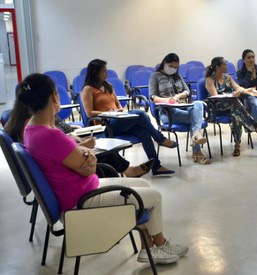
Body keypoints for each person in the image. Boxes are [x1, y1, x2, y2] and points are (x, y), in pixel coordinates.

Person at [17, 73, 188, 265]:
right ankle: (159, 244)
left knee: (142, 184)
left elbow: (78, 155)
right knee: (155, 197)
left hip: (83, 190)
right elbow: (88, 169)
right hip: (82, 200)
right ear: (53, 96)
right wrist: (87, 154)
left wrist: (82, 152)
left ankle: (148, 247)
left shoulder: (32, 129)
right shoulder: (50, 136)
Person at [4, 100, 153, 178]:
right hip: (66, 168)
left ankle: (128, 171)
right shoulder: (36, 126)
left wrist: (76, 139)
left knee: (105, 147)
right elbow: (56, 145)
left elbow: (61, 136)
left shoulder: (32, 123)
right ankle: (126, 174)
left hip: (69, 143)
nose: (57, 101)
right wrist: (82, 146)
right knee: (104, 151)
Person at [81, 59, 177, 175]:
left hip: (118, 119)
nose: (106, 73)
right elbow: (89, 113)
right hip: (106, 124)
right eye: (103, 71)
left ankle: (156, 166)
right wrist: (106, 113)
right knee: (140, 114)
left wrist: (118, 110)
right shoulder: (88, 89)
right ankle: (160, 138)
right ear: (95, 72)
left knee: (143, 132)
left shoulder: (109, 86)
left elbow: (119, 106)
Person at [149, 53, 210, 165]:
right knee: (196, 120)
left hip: (182, 107)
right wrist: (167, 100)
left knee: (198, 103)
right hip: (167, 113)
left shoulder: (177, 76)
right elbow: (153, 97)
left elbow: (187, 91)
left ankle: (196, 135)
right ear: (164, 63)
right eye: (171, 66)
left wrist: (178, 96)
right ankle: (197, 150)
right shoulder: (155, 76)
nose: (173, 69)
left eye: (175, 67)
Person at [204, 56, 257, 157]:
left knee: (236, 114)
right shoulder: (210, 80)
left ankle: (237, 144)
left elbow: (238, 88)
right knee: (235, 103)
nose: (227, 66)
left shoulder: (228, 77)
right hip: (216, 106)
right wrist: (232, 95)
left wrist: (248, 90)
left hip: (231, 106)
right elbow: (215, 97)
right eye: (224, 64)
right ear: (218, 67)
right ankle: (256, 126)